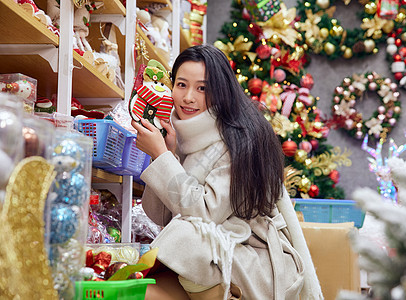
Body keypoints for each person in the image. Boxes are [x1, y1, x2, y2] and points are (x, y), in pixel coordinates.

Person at [132, 44, 323, 300]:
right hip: (212, 258)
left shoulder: (240, 138)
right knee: (148, 283)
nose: (189, 97)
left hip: (252, 258)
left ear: (221, 91)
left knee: (186, 236)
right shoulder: (182, 133)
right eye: (181, 84)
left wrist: (163, 157)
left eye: (202, 88)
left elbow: (204, 215)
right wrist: (169, 154)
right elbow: (160, 215)